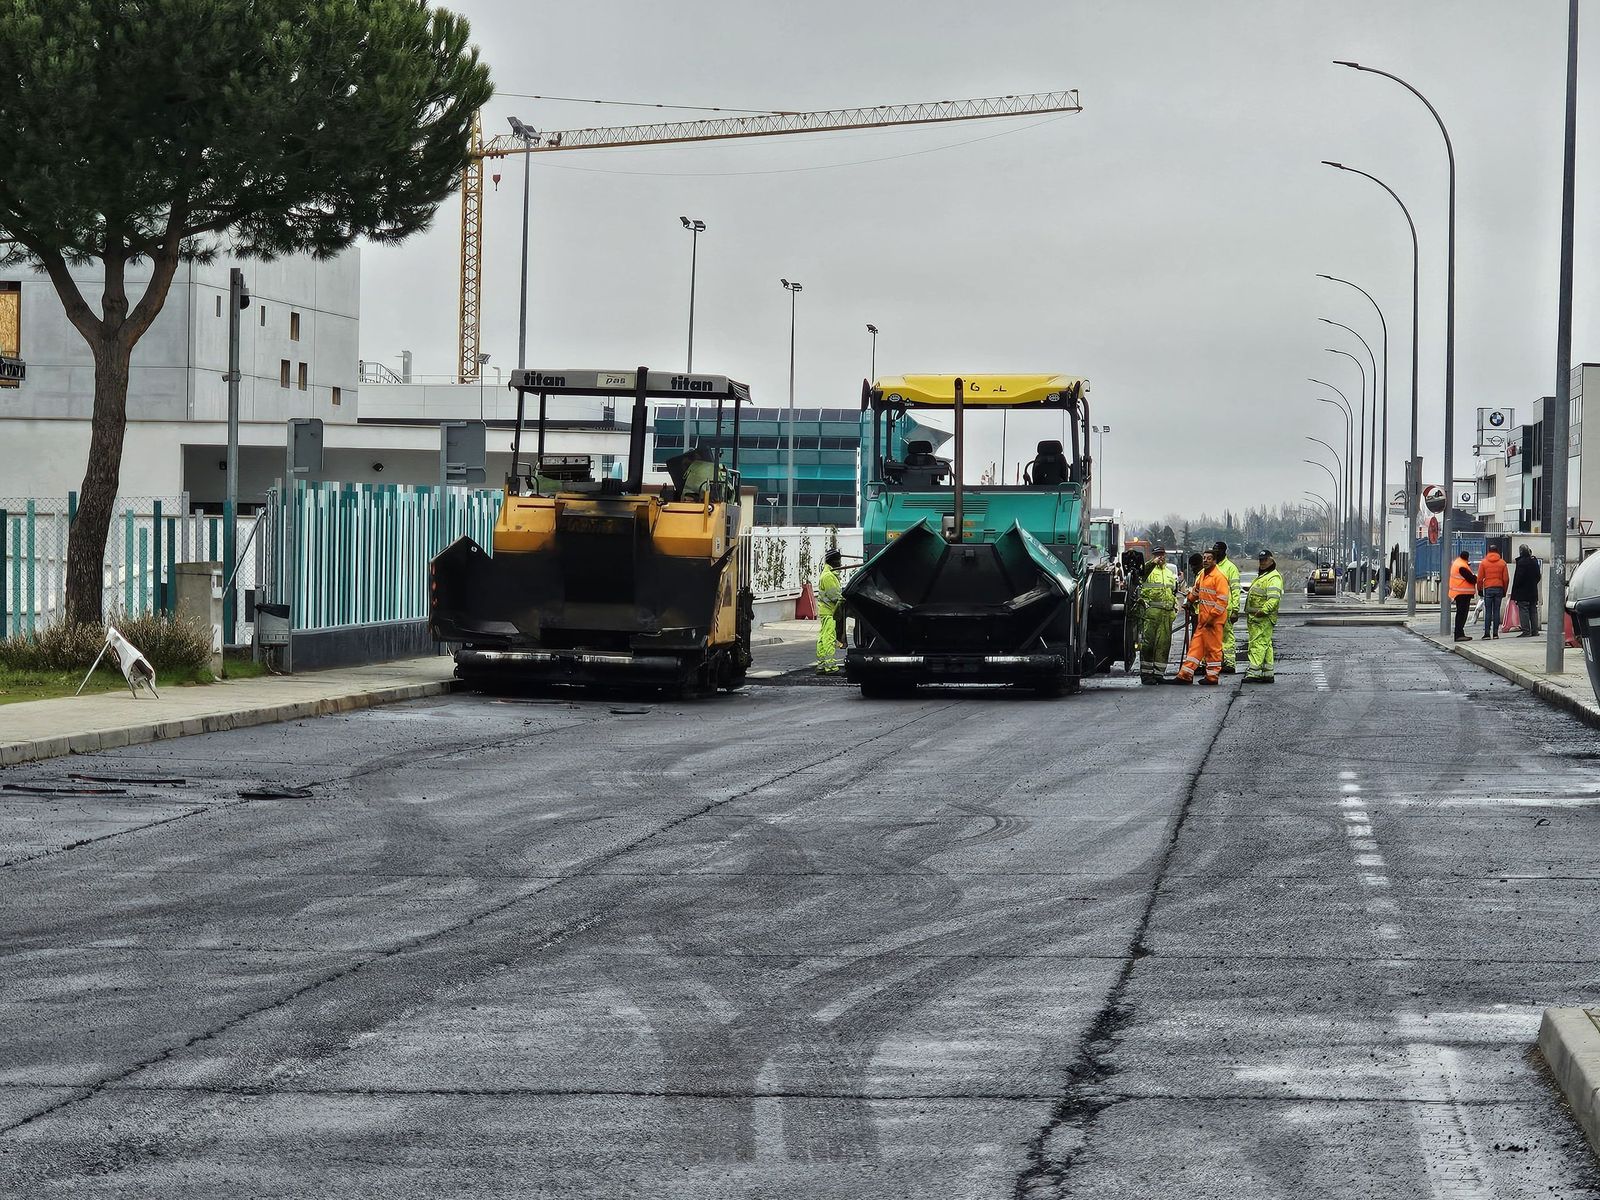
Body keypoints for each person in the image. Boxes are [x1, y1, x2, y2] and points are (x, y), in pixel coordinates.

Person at [1175, 549, 1230, 685]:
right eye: (1204, 558)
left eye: (1209, 558)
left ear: (1215, 561)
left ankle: (1212, 677)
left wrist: (1212, 617)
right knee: (1195, 647)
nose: (1205, 560)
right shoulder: (1203, 576)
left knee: (1213, 649)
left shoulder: (1219, 577)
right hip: (1203, 620)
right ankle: (1185, 675)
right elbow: (1196, 591)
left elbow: (1222, 601)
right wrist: (1189, 601)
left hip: (1214, 621)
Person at [1137, 546, 1180, 684]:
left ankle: (1158, 674)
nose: (1160, 557)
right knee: (1148, 645)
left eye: (1162, 554)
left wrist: (1174, 606)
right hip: (1151, 613)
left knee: (1164, 645)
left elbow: (1172, 592)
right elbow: (1140, 574)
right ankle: (1146, 675)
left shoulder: (1169, 573)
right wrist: (1152, 563)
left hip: (1166, 614)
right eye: (1157, 554)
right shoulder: (1148, 570)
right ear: (1153, 555)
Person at [1244, 550, 1284, 683]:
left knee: (1258, 644)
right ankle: (1268, 672)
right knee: (1265, 644)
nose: (1262, 562)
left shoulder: (1273, 577)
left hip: (1263, 617)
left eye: (1265, 560)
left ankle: (1253, 673)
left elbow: (1274, 598)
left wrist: (1263, 611)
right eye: (1261, 560)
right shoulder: (1265, 576)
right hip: (1257, 617)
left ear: (1272, 561)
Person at [815, 548, 845, 674]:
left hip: (826, 611)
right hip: (829, 611)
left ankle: (821, 665)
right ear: (833, 561)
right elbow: (835, 596)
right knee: (829, 638)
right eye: (838, 560)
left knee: (823, 637)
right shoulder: (828, 576)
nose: (840, 563)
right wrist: (844, 599)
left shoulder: (828, 574)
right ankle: (830, 666)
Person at [1212, 541, 1241, 674]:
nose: (1215, 552)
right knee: (1212, 637)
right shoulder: (1211, 566)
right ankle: (1214, 662)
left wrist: (1235, 610)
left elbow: (1235, 590)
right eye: (1214, 550)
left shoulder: (1230, 568)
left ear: (1224, 551)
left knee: (1227, 637)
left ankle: (1229, 663)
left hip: (1225, 609)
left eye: (1217, 550)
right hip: (1211, 609)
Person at [1477, 546, 1509, 638]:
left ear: (1488, 551)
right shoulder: (1502, 563)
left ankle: (1487, 633)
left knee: (1488, 611)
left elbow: (1479, 579)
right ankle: (1495, 633)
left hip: (1488, 588)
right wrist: (1504, 590)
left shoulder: (1484, 563)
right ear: (1497, 551)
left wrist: (1480, 589)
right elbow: (1506, 579)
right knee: (1496, 611)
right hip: (1499, 588)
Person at [1511, 544, 1542, 637]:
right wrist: (1533, 583)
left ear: (1521, 552)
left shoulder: (1521, 563)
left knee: (1523, 611)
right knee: (1533, 611)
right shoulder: (1534, 562)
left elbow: (1518, 578)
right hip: (1533, 591)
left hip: (1522, 592)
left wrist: (1515, 590)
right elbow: (1538, 576)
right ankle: (1535, 631)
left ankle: (1526, 631)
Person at [1448, 549, 1478, 642]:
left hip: (1460, 593)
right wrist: (1476, 577)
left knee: (1460, 614)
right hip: (1462, 594)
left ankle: (1460, 634)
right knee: (1462, 614)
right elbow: (1471, 579)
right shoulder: (1462, 566)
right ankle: (1459, 634)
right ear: (1467, 557)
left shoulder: (1458, 562)